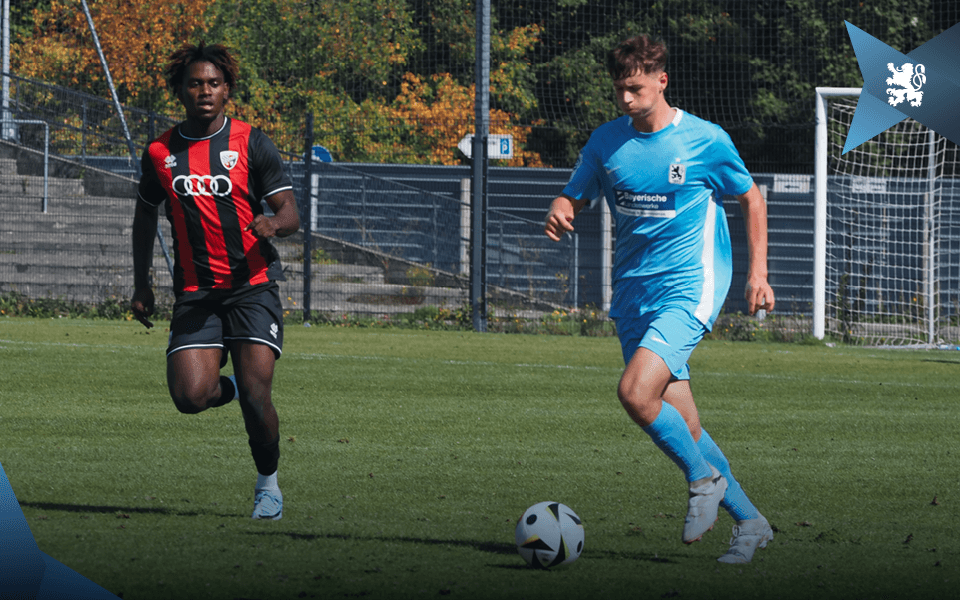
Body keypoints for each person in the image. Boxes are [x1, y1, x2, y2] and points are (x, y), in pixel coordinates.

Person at [544, 35, 776, 563]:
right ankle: (752, 522)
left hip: (689, 287)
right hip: (633, 294)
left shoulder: (704, 140)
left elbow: (750, 196)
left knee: (634, 392)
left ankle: (702, 483)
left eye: (636, 88)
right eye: (619, 90)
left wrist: (758, 274)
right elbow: (575, 190)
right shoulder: (606, 142)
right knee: (685, 424)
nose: (626, 99)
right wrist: (561, 204)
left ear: (661, 80)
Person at [130, 42, 300, 521]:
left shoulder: (251, 142)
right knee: (190, 398)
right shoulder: (160, 152)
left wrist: (274, 224)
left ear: (227, 90)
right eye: (195, 84)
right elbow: (144, 218)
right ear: (180, 91)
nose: (204, 91)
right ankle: (226, 386)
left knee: (257, 394)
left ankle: (267, 484)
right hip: (196, 292)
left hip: (253, 286)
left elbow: (290, 212)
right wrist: (142, 283)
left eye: (213, 84)